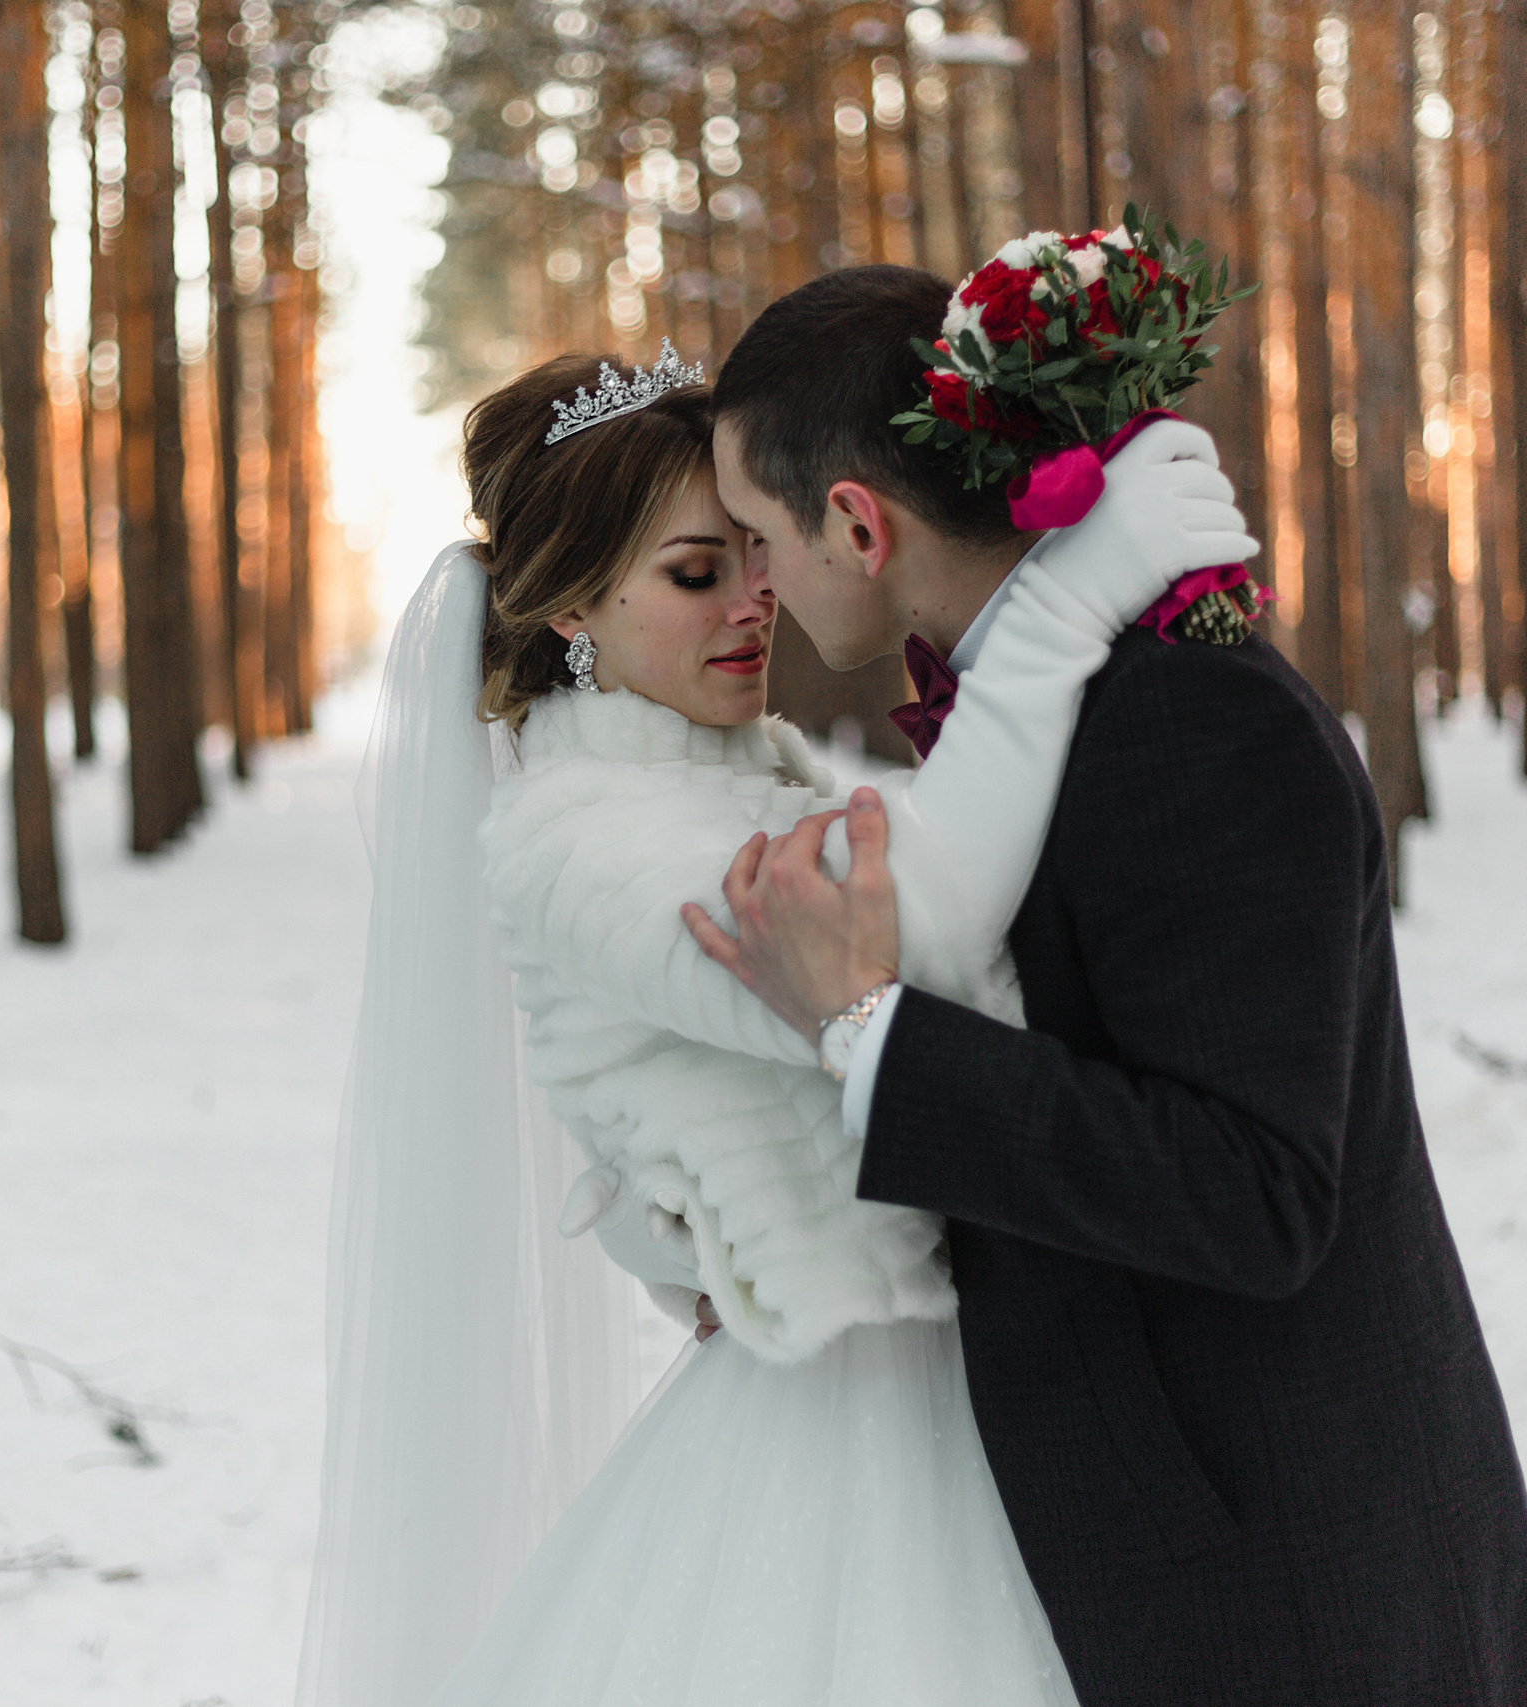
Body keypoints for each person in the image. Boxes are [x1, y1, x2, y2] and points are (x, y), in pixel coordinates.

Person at [294, 340, 1253, 1707]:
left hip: (972, 1362)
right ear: (573, 608)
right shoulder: (580, 838)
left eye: (753, 549)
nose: (758, 599)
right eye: (697, 572)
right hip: (850, 1420)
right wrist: (1062, 610)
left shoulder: (750, 761)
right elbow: (907, 936)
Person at [685, 264, 1527, 1706]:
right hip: (1170, 1547)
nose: (756, 583)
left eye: (758, 535)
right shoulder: (1063, 715)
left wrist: (866, 1026)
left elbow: (1252, 1192)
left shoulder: (1191, 725)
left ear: (856, 521)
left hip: (1288, 1578)